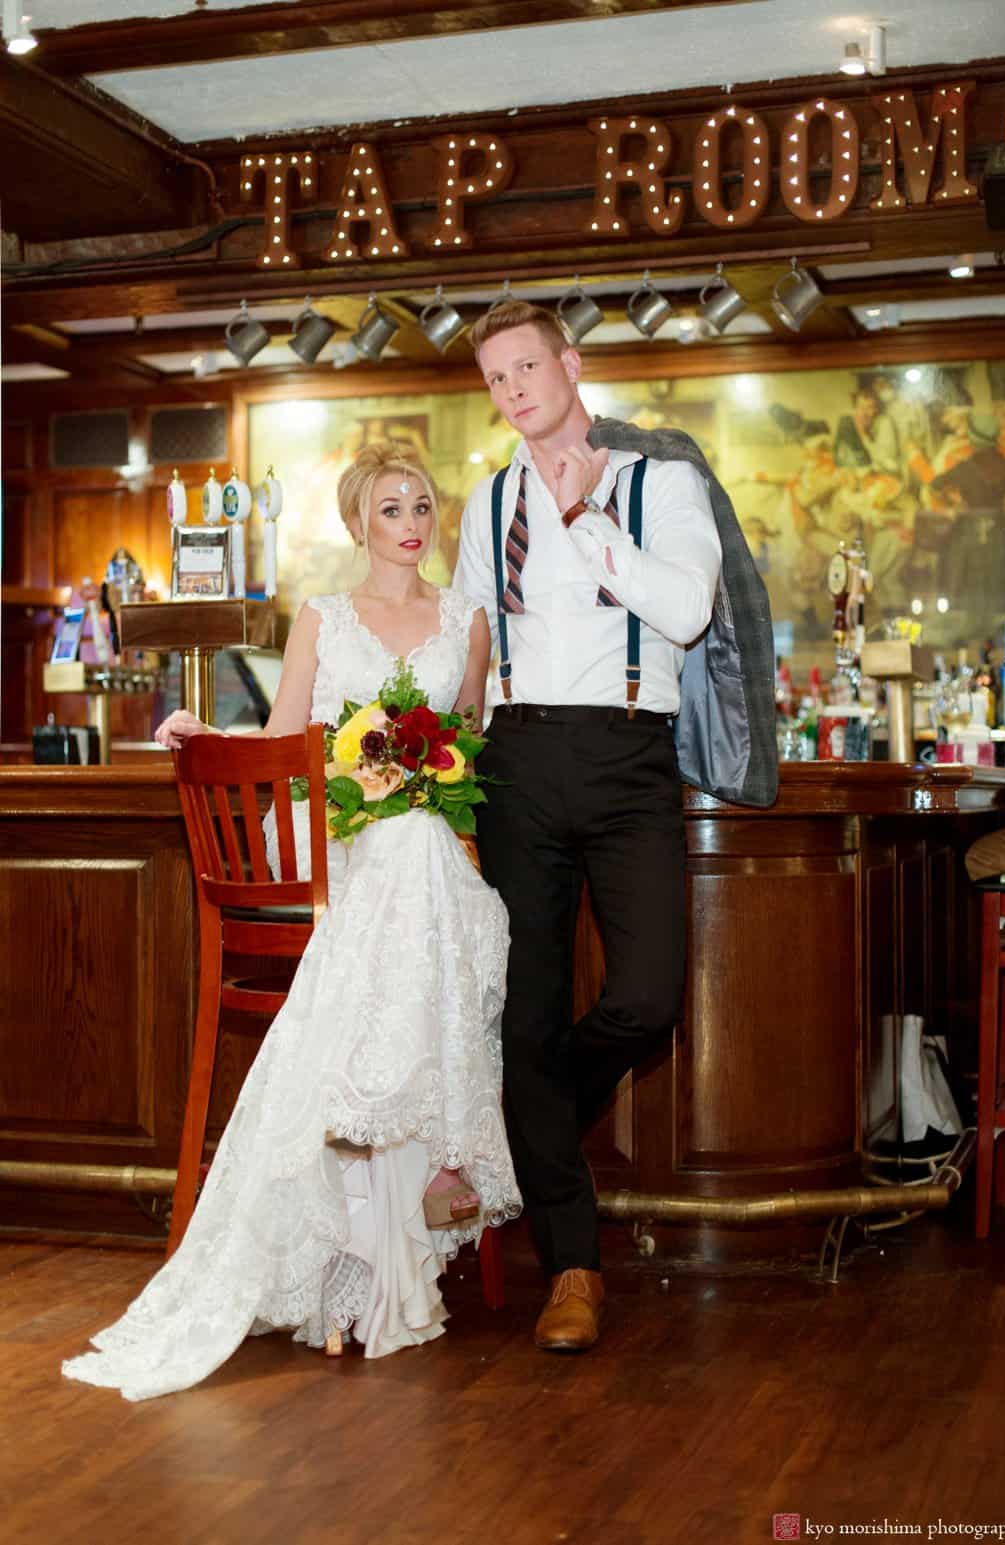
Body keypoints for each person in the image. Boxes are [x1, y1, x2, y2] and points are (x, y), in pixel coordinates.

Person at [62, 443, 521, 1401]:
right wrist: (210, 737)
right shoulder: (322, 616)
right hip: (343, 860)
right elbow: (282, 739)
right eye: (390, 506)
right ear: (359, 524)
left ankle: (385, 1120)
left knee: (431, 862)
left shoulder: (467, 620)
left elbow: (472, 745)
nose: (412, 519)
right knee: (409, 866)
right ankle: (437, 1151)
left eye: (422, 503)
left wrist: (431, 773)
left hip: (429, 851)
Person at [453, 300, 722, 1353]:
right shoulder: (487, 502)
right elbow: (472, 637)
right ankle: (572, 1269)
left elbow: (687, 611)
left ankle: (533, 1113)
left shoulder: (662, 483)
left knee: (647, 997)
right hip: (512, 760)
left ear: (570, 366)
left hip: (625, 755)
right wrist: (424, 747)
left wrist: (585, 524)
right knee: (522, 1012)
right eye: (495, 378)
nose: (513, 389)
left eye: (527, 367)